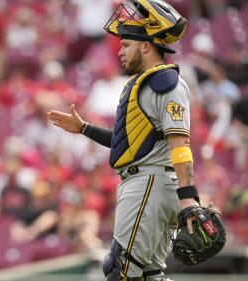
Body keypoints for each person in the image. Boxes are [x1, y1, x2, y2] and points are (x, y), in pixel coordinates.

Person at [48, 1, 199, 280]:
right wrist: (84, 129)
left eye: (126, 44)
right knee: (149, 274)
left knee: (121, 270)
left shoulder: (165, 82)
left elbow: (180, 144)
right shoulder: (149, 82)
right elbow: (131, 144)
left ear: (145, 46)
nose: (119, 51)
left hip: (150, 184)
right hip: (148, 182)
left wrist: (188, 198)